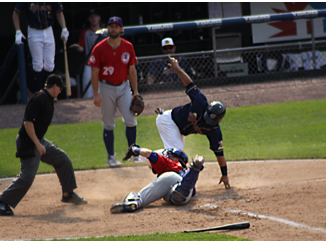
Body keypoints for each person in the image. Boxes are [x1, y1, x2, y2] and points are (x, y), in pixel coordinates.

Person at [0, 75, 87, 216]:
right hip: (28, 142)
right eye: (60, 88)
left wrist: (39, 142)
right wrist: (37, 143)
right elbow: (28, 122)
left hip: (38, 140)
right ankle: (2, 203)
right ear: (54, 86)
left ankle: (68, 194)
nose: (61, 91)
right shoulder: (39, 99)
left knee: (62, 158)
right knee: (27, 176)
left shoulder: (48, 99)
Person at [155, 56, 230, 189]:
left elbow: (219, 153)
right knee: (177, 153)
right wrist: (178, 69)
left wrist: (225, 175)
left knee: (178, 155)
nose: (206, 122)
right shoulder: (201, 102)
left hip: (178, 130)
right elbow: (189, 83)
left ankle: (149, 158)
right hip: (168, 121)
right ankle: (153, 162)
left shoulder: (214, 131)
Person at [88, 16, 141, 166]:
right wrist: (96, 94)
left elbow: (132, 71)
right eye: (111, 26)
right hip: (105, 87)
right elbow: (94, 73)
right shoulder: (99, 48)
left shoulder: (128, 46)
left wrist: (135, 91)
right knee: (108, 124)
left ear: (121, 29)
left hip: (124, 86)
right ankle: (111, 157)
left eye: (116, 26)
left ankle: (133, 153)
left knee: (131, 120)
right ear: (107, 29)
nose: (113, 29)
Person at [110, 144, 204, 213]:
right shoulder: (183, 169)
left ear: (174, 158)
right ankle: (193, 171)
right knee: (178, 194)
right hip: (185, 193)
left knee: (139, 196)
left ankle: (135, 201)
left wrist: (135, 149)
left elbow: (148, 153)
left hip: (172, 177)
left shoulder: (170, 162)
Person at [13, 3, 69, 93]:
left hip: (48, 30)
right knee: (38, 65)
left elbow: (59, 13)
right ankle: (40, 92)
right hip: (34, 31)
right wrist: (18, 31)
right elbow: (16, 13)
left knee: (50, 65)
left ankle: (50, 92)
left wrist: (64, 28)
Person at [69, 9, 103, 98]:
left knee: (104, 93)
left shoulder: (106, 32)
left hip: (104, 65)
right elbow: (81, 48)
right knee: (87, 93)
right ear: (88, 19)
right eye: (91, 17)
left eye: (95, 16)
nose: (94, 19)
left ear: (99, 18)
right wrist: (77, 47)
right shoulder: (85, 32)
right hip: (90, 65)